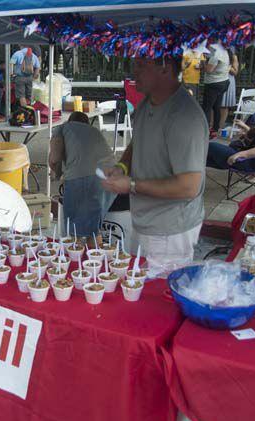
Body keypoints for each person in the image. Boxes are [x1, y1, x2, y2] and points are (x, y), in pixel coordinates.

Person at [101, 56, 208, 270]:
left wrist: (131, 185)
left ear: (165, 69)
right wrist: (122, 167)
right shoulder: (146, 104)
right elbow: (137, 142)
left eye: (141, 65)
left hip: (170, 232)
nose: (134, 72)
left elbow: (189, 186)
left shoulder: (184, 117)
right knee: (138, 284)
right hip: (144, 220)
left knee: (158, 295)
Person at [49, 111, 116, 241]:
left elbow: (54, 159)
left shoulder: (62, 128)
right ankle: (95, 259)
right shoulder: (94, 130)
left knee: (75, 230)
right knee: (93, 228)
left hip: (83, 177)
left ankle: (76, 257)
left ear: (70, 121)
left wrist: (57, 174)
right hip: (111, 177)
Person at [202, 44, 231, 138]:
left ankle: (204, 130)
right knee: (216, 106)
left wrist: (202, 62)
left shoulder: (217, 55)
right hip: (224, 81)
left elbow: (209, 70)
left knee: (207, 107)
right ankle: (215, 129)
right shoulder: (226, 52)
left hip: (214, 83)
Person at [219, 51, 239, 130]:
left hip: (228, 80)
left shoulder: (233, 56)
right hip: (217, 80)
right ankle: (211, 125)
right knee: (215, 104)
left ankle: (220, 127)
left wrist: (226, 65)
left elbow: (235, 72)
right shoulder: (217, 54)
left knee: (224, 105)